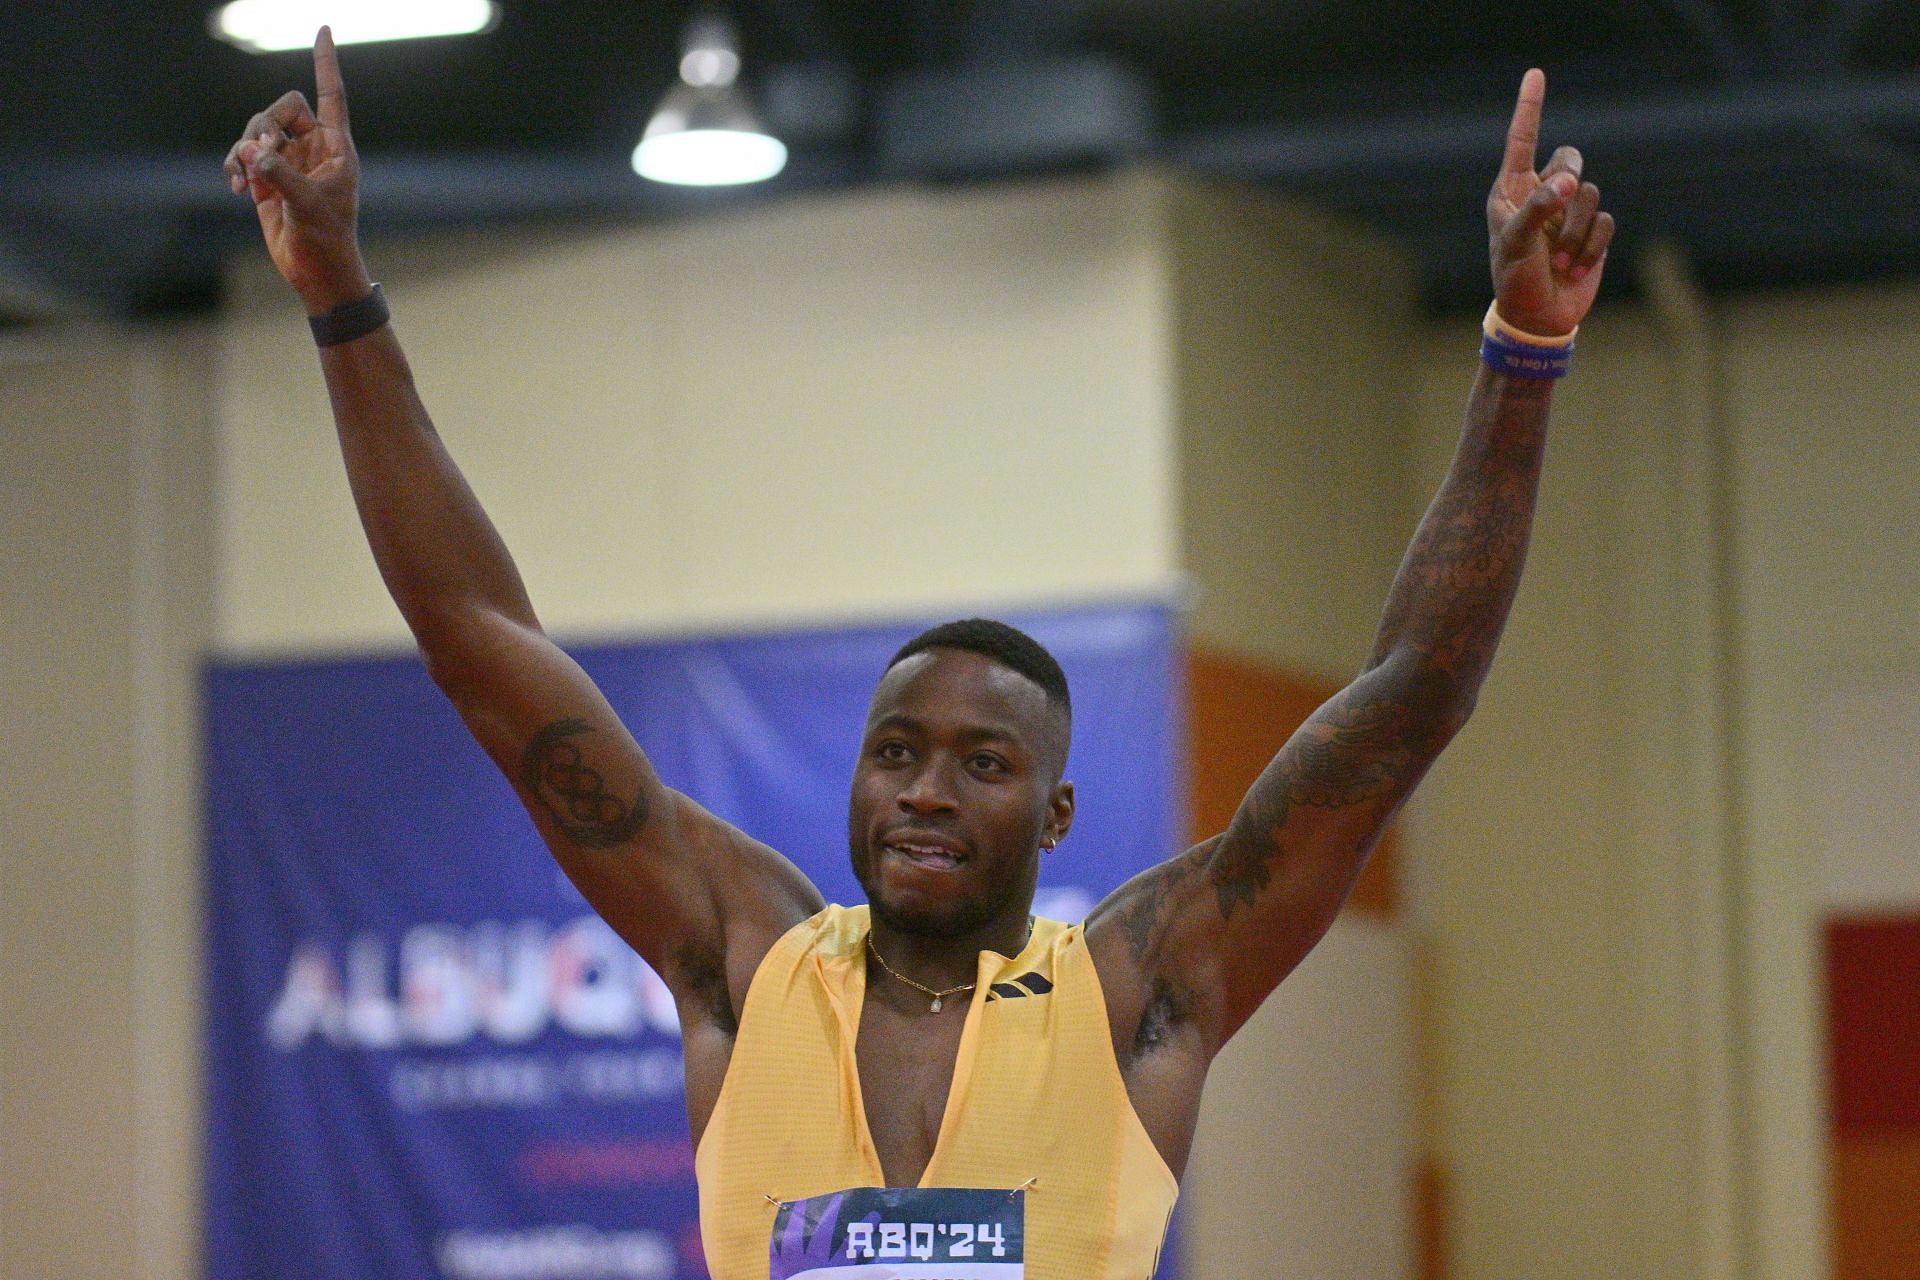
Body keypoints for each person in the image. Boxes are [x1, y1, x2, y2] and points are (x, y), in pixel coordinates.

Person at [226, 29, 1613, 1279]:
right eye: (897, 753)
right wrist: (340, 296)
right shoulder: (745, 961)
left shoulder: (1138, 991)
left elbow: (1409, 702)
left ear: (1058, 812)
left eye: (983, 762)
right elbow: (479, 643)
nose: (926, 792)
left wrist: (1522, 352)